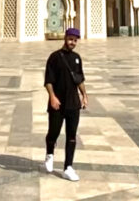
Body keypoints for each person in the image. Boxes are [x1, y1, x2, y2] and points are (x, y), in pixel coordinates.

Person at [42, 28, 87, 182]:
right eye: (70, 39)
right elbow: (48, 80)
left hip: (73, 104)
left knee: (72, 136)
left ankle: (68, 167)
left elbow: (79, 79)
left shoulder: (77, 58)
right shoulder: (54, 57)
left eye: (75, 40)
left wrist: (84, 95)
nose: (72, 42)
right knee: (53, 132)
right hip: (58, 103)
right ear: (65, 38)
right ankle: (49, 154)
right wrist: (52, 97)